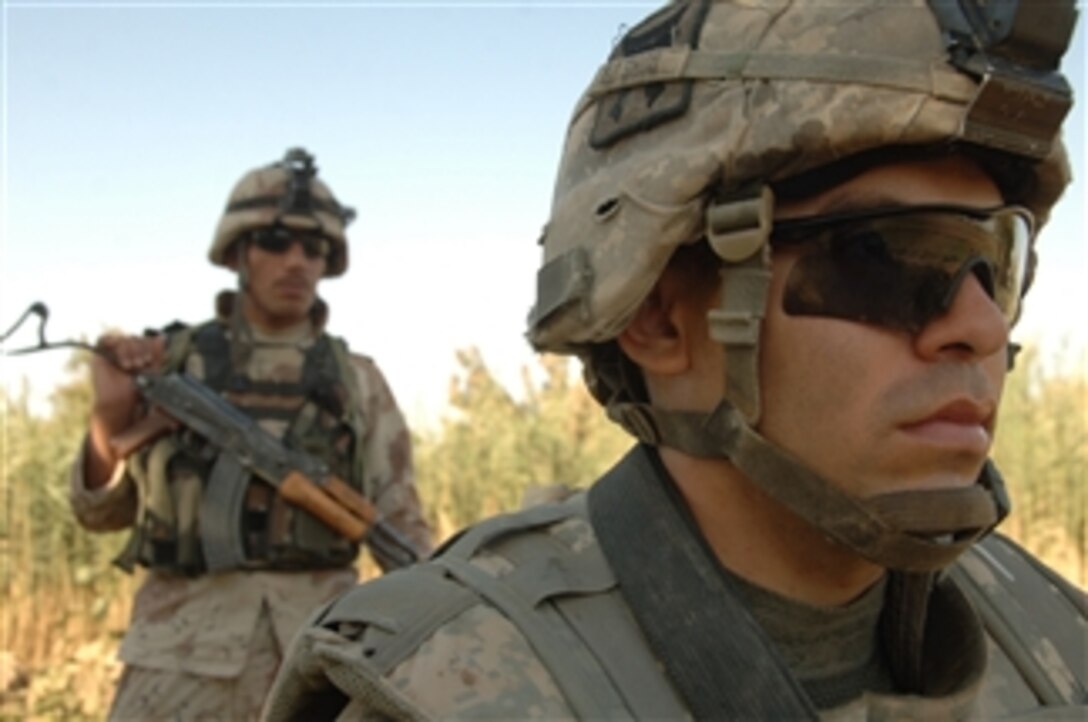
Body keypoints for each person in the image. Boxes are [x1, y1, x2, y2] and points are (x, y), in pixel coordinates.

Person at [265, 2, 1087, 720]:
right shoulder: (453, 688)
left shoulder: (1056, 636)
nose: (979, 325)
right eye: (895, 259)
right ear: (659, 317)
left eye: (997, 262)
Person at [68, 147, 433, 721]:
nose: (296, 262)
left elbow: (403, 520)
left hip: (319, 654)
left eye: (314, 249)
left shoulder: (356, 381)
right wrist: (110, 422)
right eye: (275, 242)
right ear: (238, 252)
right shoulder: (168, 362)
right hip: (179, 656)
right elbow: (98, 515)